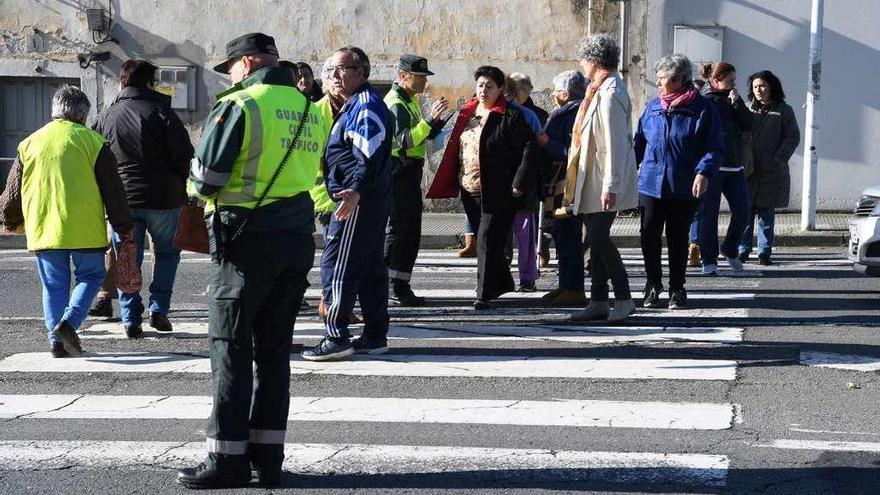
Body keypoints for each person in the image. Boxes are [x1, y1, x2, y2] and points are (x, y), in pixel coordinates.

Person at [176, 33, 327, 489]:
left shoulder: (241, 105)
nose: (232, 76)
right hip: (296, 237)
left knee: (231, 349)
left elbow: (206, 178)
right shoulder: (309, 108)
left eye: (231, 69)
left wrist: (192, 186)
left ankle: (227, 461)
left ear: (245, 63)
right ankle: (268, 458)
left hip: (246, 242)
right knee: (275, 352)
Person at [0, 86, 131, 357]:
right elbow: (113, 189)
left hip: (44, 227)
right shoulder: (93, 142)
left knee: (54, 285)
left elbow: (13, 189)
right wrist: (122, 225)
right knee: (92, 276)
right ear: (83, 116)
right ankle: (69, 323)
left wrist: (9, 218)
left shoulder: (29, 143)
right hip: (84, 227)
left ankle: (56, 341)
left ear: (54, 112)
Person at [300, 46, 393, 361]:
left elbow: (370, 153)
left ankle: (336, 335)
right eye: (330, 71)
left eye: (341, 69)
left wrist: (354, 191)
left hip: (355, 202)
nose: (334, 76)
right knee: (368, 268)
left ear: (361, 72)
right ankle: (375, 334)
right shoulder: (354, 105)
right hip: (364, 199)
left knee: (337, 265)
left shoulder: (365, 107)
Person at [93, 59, 194, 337]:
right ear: (151, 83)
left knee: (127, 258)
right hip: (164, 196)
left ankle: (130, 317)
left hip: (122, 199)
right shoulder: (162, 112)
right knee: (167, 254)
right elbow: (184, 155)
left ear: (122, 82)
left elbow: (96, 158)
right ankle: (159, 308)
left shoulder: (106, 117)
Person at [427, 65, 537, 310]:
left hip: (498, 190)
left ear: (500, 90)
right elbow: (452, 142)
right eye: (480, 85)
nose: (483, 90)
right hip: (469, 188)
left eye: (489, 86)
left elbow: (529, 150)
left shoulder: (510, 115)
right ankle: (502, 282)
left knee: (487, 239)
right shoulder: (467, 113)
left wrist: (519, 183)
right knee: (488, 240)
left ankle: (483, 294)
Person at [634, 54, 723, 309]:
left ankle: (677, 288)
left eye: (664, 78)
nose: (659, 83)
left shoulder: (702, 109)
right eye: (659, 77)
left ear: (680, 79)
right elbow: (639, 141)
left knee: (677, 237)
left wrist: (703, 172)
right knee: (648, 234)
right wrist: (628, 171)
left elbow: (715, 147)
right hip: (651, 182)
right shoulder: (653, 106)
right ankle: (653, 284)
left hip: (684, 183)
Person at [563, 34, 638, 323]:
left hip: (603, 180)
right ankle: (598, 300)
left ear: (593, 61)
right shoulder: (598, 89)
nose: (581, 64)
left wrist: (611, 185)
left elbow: (615, 143)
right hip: (591, 179)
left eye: (583, 59)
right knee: (594, 239)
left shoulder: (609, 93)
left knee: (599, 238)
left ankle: (623, 297)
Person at [384, 54, 448, 306]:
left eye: (424, 77)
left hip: (408, 172)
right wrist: (429, 121)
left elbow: (416, 137)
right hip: (400, 172)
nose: (424, 82)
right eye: (419, 77)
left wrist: (435, 124)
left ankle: (398, 283)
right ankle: (393, 285)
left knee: (408, 230)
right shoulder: (396, 103)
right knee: (402, 230)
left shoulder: (408, 100)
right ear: (403, 76)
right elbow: (403, 141)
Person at [738, 70, 800, 265]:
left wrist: (779, 158)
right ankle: (743, 249)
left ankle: (764, 252)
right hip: (748, 170)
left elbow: (792, 137)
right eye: (755, 87)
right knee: (745, 213)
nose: (759, 90)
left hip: (771, 170)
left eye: (763, 86)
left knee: (766, 214)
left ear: (772, 87)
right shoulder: (747, 109)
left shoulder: (784, 110)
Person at [537, 70, 587, 306]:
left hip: (567, 185)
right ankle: (565, 284)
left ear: (565, 94)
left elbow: (574, 152)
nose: (554, 94)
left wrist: (548, 143)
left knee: (569, 236)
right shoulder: (566, 112)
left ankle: (574, 287)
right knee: (560, 235)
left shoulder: (574, 114)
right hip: (556, 186)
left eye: (556, 90)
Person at [698, 62, 753, 275]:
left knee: (743, 211)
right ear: (715, 81)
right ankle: (708, 260)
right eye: (729, 80)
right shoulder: (706, 102)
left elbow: (749, 124)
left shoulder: (734, 101)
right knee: (708, 215)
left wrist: (738, 103)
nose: (733, 85)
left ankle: (729, 248)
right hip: (713, 167)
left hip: (735, 166)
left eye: (734, 80)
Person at [504, 73, 545, 292]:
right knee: (504, 233)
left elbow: (535, 150)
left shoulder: (529, 116)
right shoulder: (486, 114)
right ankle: (504, 275)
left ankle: (527, 277)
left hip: (523, 184)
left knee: (524, 231)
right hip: (501, 184)